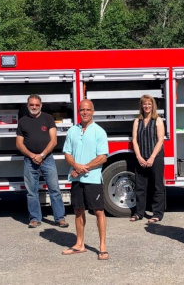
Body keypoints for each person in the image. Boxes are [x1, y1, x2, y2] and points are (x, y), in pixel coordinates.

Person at [61, 99, 110, 260]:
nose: (85, 112)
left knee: (98, 211)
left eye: (88, 110)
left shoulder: (99, 131)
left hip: (93, 179)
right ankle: (79, 244)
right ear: (79, 111)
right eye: (82, 110)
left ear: (93, 111)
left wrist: (83, 168)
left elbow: (102, 157)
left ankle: (102, 246)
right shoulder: (72, 131)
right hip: (76, 179)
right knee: (78, 210)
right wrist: (75, 165)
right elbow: (67, 153)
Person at [16, 94, 68, 229]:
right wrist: (32, 155)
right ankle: (34, 218)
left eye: (37, 105)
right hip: (29, 160)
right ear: (27, 106)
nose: (34, 107)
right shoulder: (22, 121)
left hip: (47, 159)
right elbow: (19, 144)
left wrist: (42, 155)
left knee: (54, 189)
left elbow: (54, 140)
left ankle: (60, 218)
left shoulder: (48, 118)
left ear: (41, 105)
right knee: (31, 191)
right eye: (31, 105)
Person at [130, 94, 166, 223]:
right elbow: (134, 140)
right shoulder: (137, 121)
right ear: (141, 106)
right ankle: (139, 212)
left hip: (155, 157)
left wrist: (151, 158)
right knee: (140, 187)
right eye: (144, 104)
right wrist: (139, 157)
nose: (147, 106)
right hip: (141, 156)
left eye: (149, 104)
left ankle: (157, 213)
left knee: (157, 186)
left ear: (153, 106)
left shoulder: (158, 120)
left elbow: (160, 140)